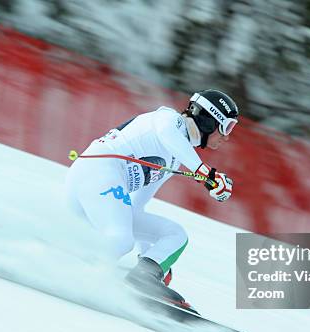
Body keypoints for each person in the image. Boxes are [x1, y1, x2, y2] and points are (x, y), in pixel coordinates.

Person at [65, 89, 238, 310]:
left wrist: (149, 261)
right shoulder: (168, 119)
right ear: (209, 121)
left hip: (101, 190)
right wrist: (206, 174)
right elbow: (168, 134)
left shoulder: (175, 159)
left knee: (175, 235)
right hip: (95, 174)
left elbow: (136, 206)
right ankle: (80, 278)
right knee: (121, 239)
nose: (227, 136)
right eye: (227, 127)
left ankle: (142, 278)